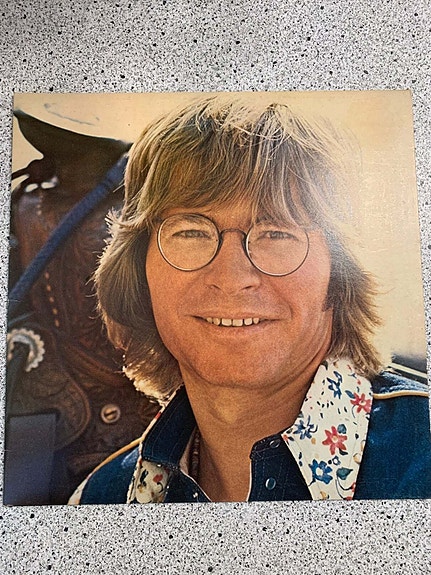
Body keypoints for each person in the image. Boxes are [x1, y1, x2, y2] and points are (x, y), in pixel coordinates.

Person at [70, 95, 431, 504]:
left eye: (276, 233)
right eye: (190, 232)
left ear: (339, 273)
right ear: (138, 269)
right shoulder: (99, 499)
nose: (231, 278)